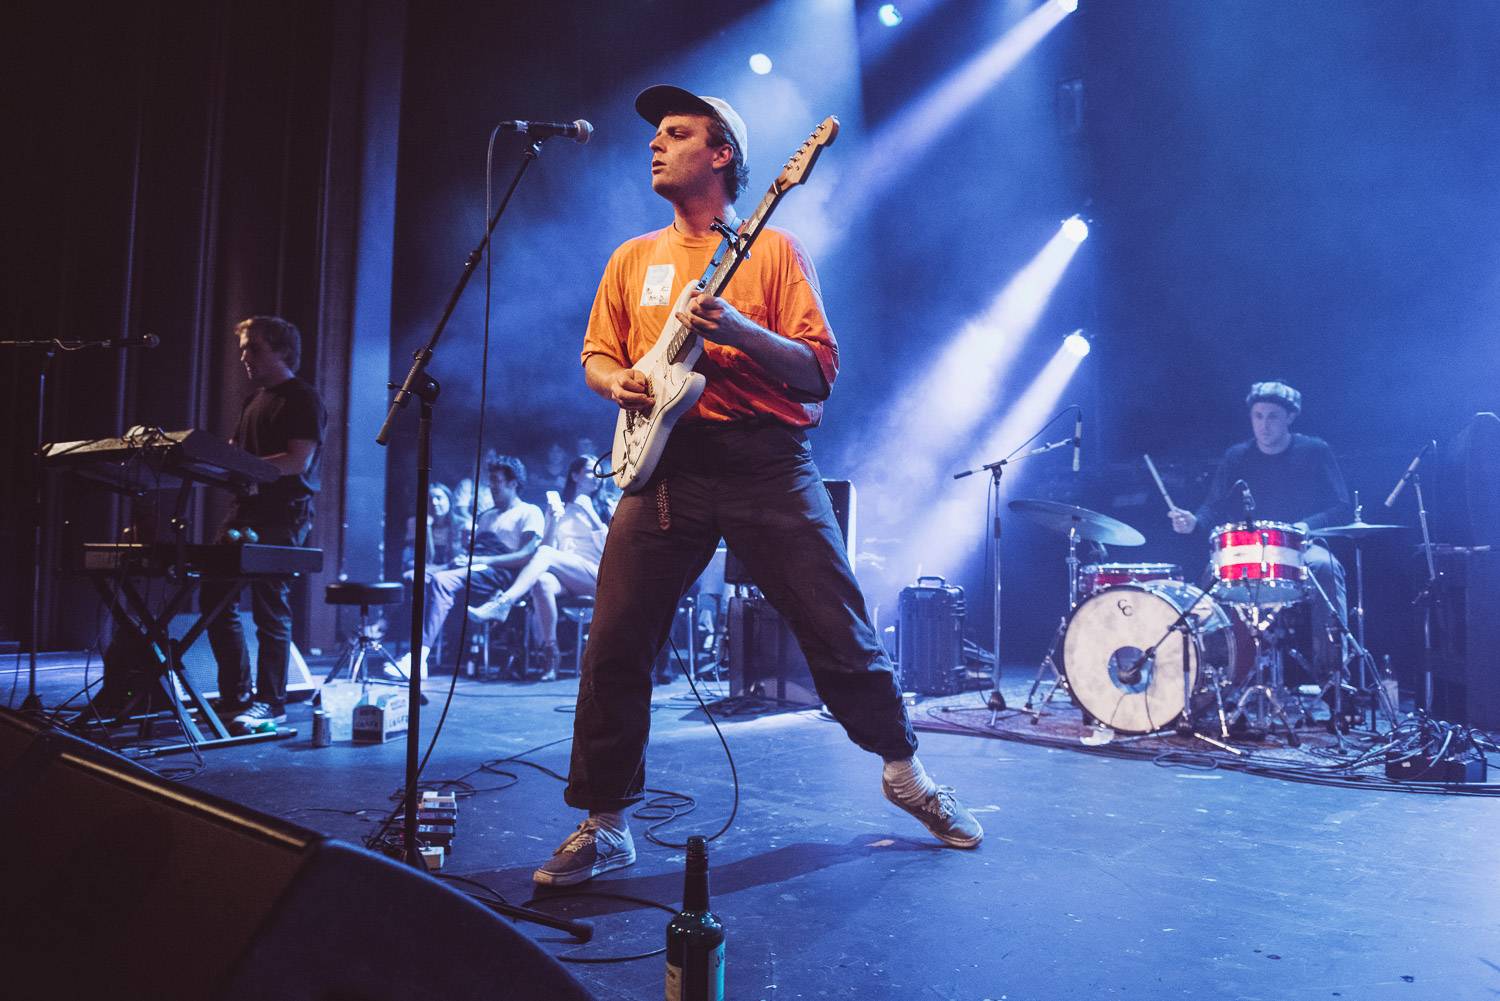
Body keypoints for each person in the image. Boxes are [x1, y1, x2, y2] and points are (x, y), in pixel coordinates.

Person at [533, 85, 982, 888]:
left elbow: (818, 373)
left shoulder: (773, 252)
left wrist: (738, 331)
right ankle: (605, 820)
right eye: (656, 134)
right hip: (668, 462)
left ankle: (905, 771)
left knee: (838, 626)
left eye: (676, 133)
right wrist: (620, 384)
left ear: (722, 155)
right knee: (615, 642)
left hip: (767, 461)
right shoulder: (631, 259)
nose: (655, 144)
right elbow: (597, 354)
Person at [1168, 381, 1352, 682]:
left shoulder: (1315, 451)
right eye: (1258, 416)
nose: (1264, 425)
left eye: (1272, 417)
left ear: (1290, 417)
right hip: (1247, 550)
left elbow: (1341, 506)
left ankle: (1332, 676)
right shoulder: (1236, 456)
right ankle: (1218, 675)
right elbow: (1213, 506)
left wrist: (1307, 526)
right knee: (1208, 579)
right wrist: (1193, 522)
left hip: (1298, 548)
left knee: (1327, 568)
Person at [204, 316, 327, 733]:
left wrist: (239, 464)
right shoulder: (253, 401)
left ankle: (270, 703)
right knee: (214, 602)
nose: (244, 356)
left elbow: (297, 461)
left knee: (269, 610)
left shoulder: (302, 399)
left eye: (253, 348)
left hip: (282, 515)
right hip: (246, 511)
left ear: (282, 351)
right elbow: (236, 453)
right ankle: (236, 693)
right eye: (243, 349)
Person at [397, 454, 544, 677]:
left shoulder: (529, 512)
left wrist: (481, 560)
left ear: (513, 483)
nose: (491, 486)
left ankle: (418, 659)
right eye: (490, 480)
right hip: (476, 569)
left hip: (501, 573)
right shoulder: (486, 517)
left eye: (497, 481)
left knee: (442, 581)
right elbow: (473, 555)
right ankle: (432, 649)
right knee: (419, 579)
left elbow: (525, 556)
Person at [467, 454, 609, 679]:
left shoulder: (605, 506)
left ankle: (503, 602)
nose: (597, 477)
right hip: (566, 573)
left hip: (597, 575)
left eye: (599, 472)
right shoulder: (560, 507)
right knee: (541, 583)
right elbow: (548, 548)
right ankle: (550, 655)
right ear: (574, 475)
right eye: (591, 471)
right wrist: (552, 520)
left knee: (545, 556)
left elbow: (610, 550)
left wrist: (590, 513)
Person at [403, 482, 471, 573]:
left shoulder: (462, 525)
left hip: (451, 573)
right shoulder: (415, 523)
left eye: (439, 498)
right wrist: (427, 528)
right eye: (429, 499)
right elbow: (411, 561)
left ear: (449, 501)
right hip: (427, 571)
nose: (434, 503)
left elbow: (460, 560)